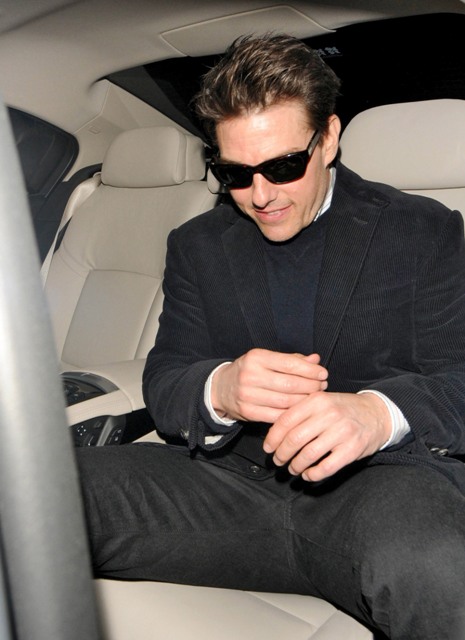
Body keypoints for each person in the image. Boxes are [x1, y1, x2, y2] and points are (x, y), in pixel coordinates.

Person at [75, 33, 465, 640]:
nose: (260, 196)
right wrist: (220, 388)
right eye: (234, 173)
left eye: (283, 167)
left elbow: (459, 378)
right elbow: (167, 376)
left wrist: (376, 413)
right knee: (35, 492)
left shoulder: (423, 231)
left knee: (436, 567)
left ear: (328, 138)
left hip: (382, 491)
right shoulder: (198, 245)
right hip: (223, 485)